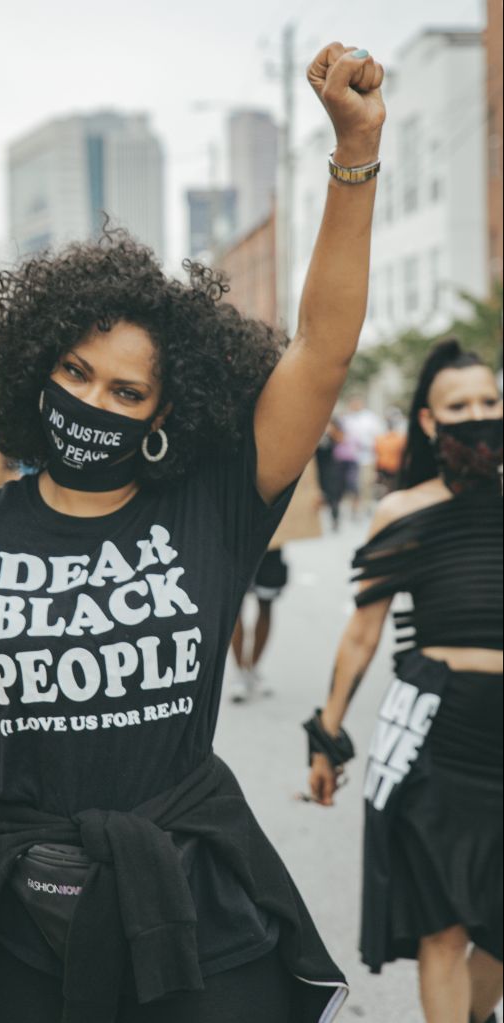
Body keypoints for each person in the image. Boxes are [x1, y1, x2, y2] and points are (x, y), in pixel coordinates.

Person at [0, 42, 385, 1023]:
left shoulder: (212, 504)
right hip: (18, 928)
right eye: (73, 372)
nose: (90, 400)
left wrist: (354, 154)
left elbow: (321, 348)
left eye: (125, 390)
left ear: (164, 414)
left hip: (194, 912)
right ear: (34, 369)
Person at [307, 340, 502, 1023]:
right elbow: (362, 633)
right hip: (436, 733)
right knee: (443, 926)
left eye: (488, 401)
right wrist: (325, 733)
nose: (477, 416)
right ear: (428, 421)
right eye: (459, 406)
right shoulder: (403, 512)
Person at [229, 547, 289, 703]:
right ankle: (240, 672)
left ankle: (252, 669)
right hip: (238, 542)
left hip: (271, 545)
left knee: (265, 605)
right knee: (235, 607)